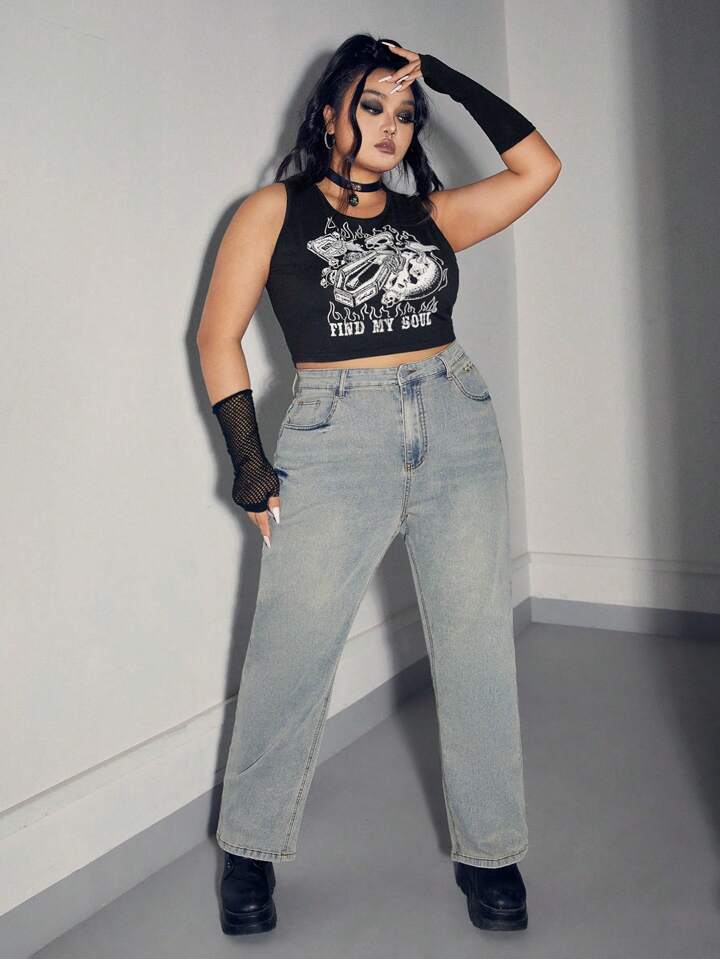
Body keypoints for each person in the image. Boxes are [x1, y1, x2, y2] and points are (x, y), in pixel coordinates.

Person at [197, 33, 561, 937]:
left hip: (454, 418)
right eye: (371, 106)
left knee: (476, 642)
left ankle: (491, 851)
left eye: (405, 114)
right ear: (329, 114)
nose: (392, 126)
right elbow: (217, 335)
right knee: (292, 645)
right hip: (336, 432)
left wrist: (443, 78)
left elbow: (539, 168)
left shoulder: (429, 216)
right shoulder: (271, 210)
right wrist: (249, 463)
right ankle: (250, 847)